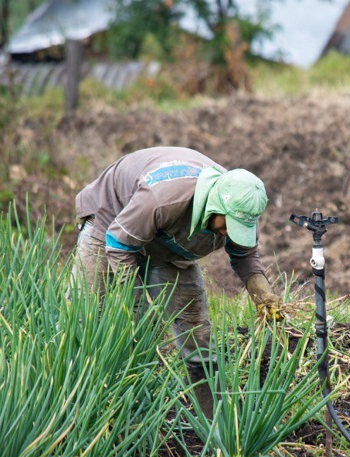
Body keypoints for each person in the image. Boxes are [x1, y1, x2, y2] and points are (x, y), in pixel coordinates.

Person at [71, 146, 282, 419]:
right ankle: (83, 412)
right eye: (228, 224)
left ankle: (219, 424)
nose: (230, 233)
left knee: (197, 334)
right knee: (96, 319)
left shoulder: (240, 203)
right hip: (111, 222)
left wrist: (261, 292)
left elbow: (245, 255)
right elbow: (120, 243)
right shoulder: (163, 198)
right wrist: (134, 297)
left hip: (167, 240)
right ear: (214, 206)